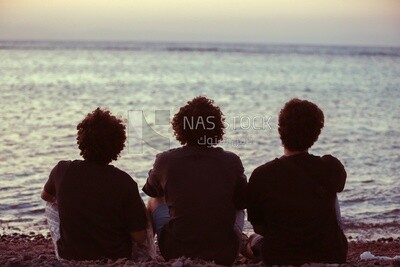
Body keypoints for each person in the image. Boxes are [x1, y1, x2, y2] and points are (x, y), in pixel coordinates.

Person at [143, 96, 247, 265]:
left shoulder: (165, 160)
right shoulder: (231, 161)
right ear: (216, 128)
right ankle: (240, 240)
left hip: (174, 250)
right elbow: (242, 201)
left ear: (180, 128)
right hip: (224, 253)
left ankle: (149, 251)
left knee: (154, 199)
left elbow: (151, 190)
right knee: (237, 205)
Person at [247, 98, 348, 265]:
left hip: (281, 256)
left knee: (253, 239)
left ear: (281, 130)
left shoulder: (262, 175)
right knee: (331, 191)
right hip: (328, 255)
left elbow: (259, 227)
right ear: (316, 134)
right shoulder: (331, 166)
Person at [41, 108, 149, 261]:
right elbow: (139, 237)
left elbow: (45, 196)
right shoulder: (124, 182)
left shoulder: (62, 169)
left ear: (82, 139)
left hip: (70, 256)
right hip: (116, 258)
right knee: (140, 213)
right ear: (119, 145)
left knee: (52, 204)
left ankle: (72, 241)